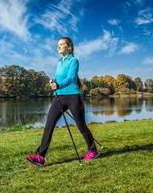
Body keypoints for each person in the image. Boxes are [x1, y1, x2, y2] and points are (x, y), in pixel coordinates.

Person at [27, 37, 99, 167]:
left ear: (69, 47)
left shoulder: (74, 61)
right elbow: (60, 78)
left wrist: (58, 85)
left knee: (81, 125)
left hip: (73, 97)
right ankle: (40, 156)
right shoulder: (59, 62)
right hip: (59, 98)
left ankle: (93, 150)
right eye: (57, 45)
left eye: (61, 44)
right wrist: (53, 82)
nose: (58, 47)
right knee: (49, 125)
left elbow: (71, 78)